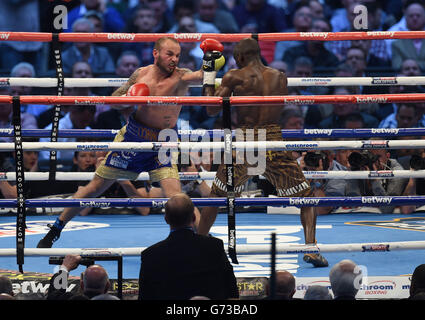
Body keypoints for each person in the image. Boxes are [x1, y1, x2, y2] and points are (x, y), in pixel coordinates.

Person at [37, 37, 223, 248]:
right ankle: (56, 229)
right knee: (94, 188)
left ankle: (203, 241)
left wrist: (210, 63)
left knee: (176, 197)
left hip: (163, 142)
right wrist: (127, 97)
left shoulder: (181, 77)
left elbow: (201, 76)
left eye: (178, 55)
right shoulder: (142, 73)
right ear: (156, 53)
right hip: (133, 139)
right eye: (169, 54)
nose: (174, 60)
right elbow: (114, 100)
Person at [197, 38, 328, 267]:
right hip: (274, 138)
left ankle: (197, 243)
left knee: (218, 196)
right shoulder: (280, 76)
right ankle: (311, 248)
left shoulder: (234, 76)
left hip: (247, 138)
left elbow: (210, 108)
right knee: (306, 196)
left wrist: (209, 76)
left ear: (239, 58)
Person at [138, 193, 239, 300]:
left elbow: (144, 296)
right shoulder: (214, 246)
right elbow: (232, 291)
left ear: (166, 219)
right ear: (194, 217)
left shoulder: (150, 255)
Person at [346, 147, 411, 214]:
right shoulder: (361, 166)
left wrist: (374, 179)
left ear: (387, 156)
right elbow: (354, 205)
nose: (374, 161)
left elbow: (387, 209)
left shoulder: (397, 172)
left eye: (378, 156)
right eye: (371, 156)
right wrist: (353, 170)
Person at [47, 254, 112, 300]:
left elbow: (54, 295)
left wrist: (65, 267)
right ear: (107, 286)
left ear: (82, 285)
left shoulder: (71, 298)